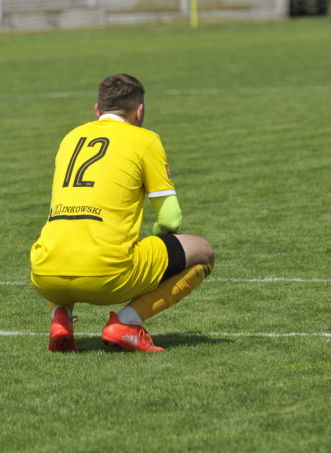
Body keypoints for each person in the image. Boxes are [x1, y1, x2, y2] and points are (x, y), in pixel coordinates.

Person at [30, 74, 215, 353]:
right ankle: (127, 323)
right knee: (203, 251)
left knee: (68, 235)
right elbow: (171, 220)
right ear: (139, 111)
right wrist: (157, 243)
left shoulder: (69, 138)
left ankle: (61, 319)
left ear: (97, 110)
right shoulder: (145, 140)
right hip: (106, 276)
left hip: (45, 273)